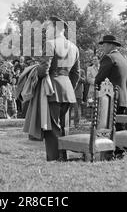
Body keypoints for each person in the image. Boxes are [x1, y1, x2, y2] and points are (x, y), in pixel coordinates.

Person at [36, 16, 80, 161]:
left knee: (52, 126)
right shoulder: (74, 47)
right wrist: (68, 88)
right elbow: (76, 74)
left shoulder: (50, 44)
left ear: (57, 28)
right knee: (64, 126)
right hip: (68, 91)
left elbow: (44, 70)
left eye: (48, 27)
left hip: (52, 89)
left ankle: (54, 159)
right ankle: (63, 156)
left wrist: (32, 71)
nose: (46, 30)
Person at [95, 35, 127, 117]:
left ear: (110, 45)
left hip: (111, 98)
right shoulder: (123, 58)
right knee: (118, 127)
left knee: (106, 127)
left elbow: (99, 79)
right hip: (123, 99)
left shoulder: (108, 58)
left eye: (104, 45)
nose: (103, 48)